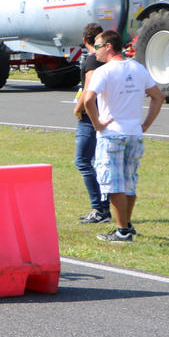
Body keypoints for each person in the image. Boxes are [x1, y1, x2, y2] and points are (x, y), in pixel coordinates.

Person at [82, 29, 165, 242]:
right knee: (130, 182)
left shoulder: (104, 71)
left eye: (98, 46)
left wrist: (97, 124)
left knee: (114, 184)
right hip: (134, 133)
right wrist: (145, 123)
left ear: (109, 46)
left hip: (112, 134)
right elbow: (158, 97)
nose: (96, 52)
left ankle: (122, 231)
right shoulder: (138, 68)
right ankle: (126, 224)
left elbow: (88, 100)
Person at [73, 23, 109, 224]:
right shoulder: (106, 60)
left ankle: (99, 208)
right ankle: (105, 207)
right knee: (100, 162)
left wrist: (78, 109)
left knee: (82, 160)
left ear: (85, 40)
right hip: (104, 113)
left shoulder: (92, 60)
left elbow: (88, 88)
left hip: (90, 115)